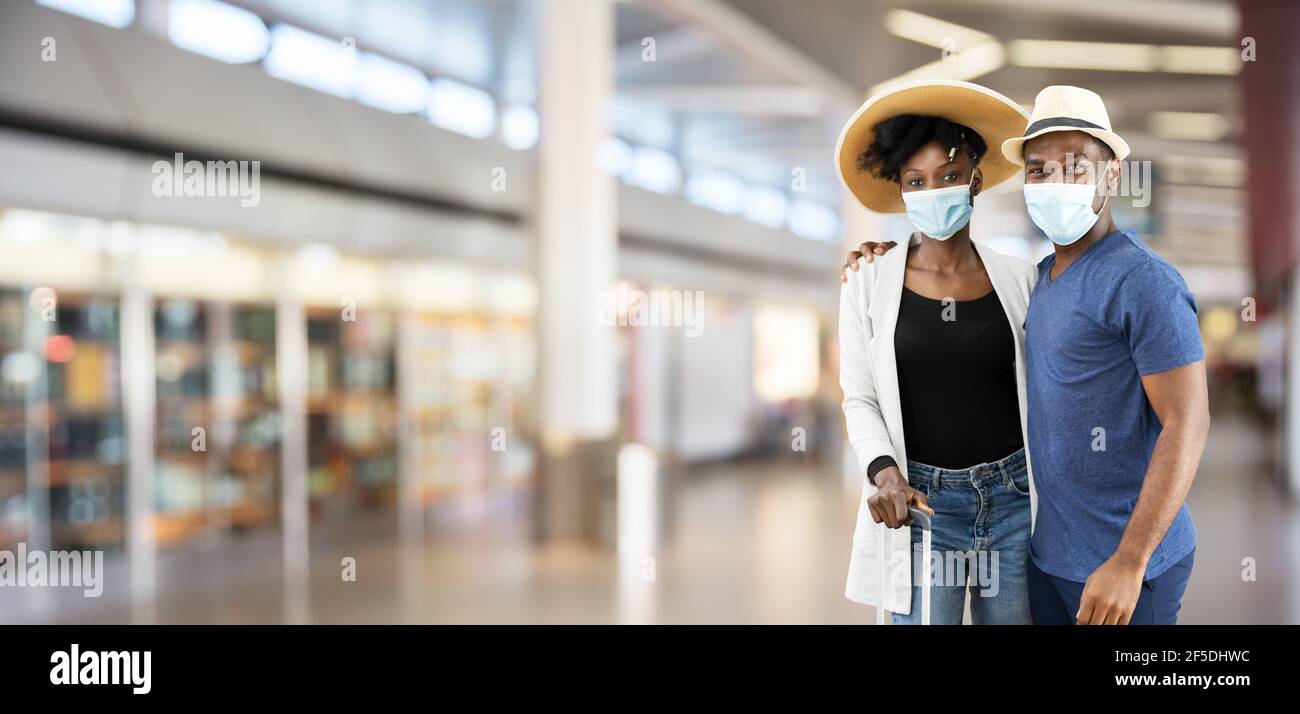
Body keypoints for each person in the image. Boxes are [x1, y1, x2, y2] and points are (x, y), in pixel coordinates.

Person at [845, 86, 1210, 625]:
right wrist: (883, 473)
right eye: (1039, 171)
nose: (1055, 184)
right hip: (968, 524)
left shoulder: (1054, 279)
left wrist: (1131, 561)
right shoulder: (1037, 277)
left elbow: (1188, 420)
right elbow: (859, 395)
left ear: (1112, 176)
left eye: (1075, 167)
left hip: (1032, 513)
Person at [837, 80, 1037, 624]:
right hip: (922, 506)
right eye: (916, 181)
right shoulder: (867, 281)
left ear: (975, 179)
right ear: (901, 191)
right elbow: (859, 398)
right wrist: (884, 475)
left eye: (948, 177)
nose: (934, 191)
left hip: (1016, 498)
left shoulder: (1021, 280)